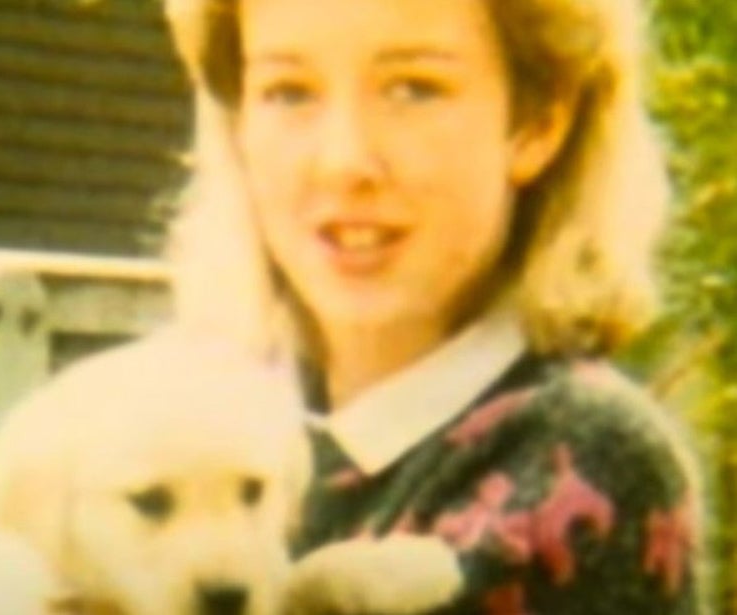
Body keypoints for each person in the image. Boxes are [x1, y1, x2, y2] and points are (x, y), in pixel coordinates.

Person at [162, 0, 708, 613]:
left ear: (537, 121)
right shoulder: (190, 421)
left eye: (412, 89)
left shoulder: (585, 461)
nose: (344, 162)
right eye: (289, 92)